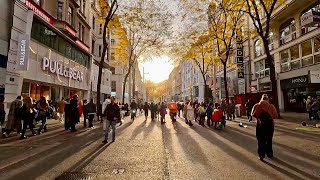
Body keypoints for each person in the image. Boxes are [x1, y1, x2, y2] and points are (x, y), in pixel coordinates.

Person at [251, 94, 278, 161]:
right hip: (269, 125)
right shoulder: (271, 106)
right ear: (267, 99)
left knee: (260, 140)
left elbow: (253, 114)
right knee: (269, 140)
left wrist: (259, 118)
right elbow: (275, 116)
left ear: (261, 99)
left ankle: (261, 155)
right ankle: (269, 154)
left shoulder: (257, 106)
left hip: (260, 125)